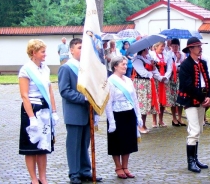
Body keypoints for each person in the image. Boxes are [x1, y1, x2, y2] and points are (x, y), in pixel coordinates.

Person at [58, 38, 102, 184]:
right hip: (74, 112)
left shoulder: (87, 69)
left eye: (84, 48)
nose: (82, 51)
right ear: (71, 50)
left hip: (87, 112)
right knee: (74, 144)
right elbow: (65, 90)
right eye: (79, 47)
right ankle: (74, 173)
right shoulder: (66, 68)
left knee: (84, 144)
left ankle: (85, 170)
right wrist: (83, 98)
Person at [19, 39, 59, 184]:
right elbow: (24, 95)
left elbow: (50, 91)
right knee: (31, 147)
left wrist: (54, 111)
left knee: (43, 146)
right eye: (42, 52)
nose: (45, 54)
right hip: (32, 109)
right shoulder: (25, 69)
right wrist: (31, 118)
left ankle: (43, 177)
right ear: (34, 52)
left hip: (45, 109)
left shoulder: (46, 69)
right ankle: (34, 179)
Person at [177, 37, 210, 173]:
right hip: (191, 100)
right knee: (194, 130)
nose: (200, 48)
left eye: (200, 46)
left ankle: (195, 158)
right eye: (197, 46)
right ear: (191, 49)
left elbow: (208, 82)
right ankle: (190, 162)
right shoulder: (185, 65)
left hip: (202, 99)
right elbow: (187, 86)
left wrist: (209, 96)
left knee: (199, 130)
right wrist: (203, 97)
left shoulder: (203, 63)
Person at [105, 56, 143, 179]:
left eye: (126, 64)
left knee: (128, 141)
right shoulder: (110, 81)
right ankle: (118, 167)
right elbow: (108, 102)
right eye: (123, 64)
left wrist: (138, 115)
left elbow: (135, 99)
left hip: (129, 113)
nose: (125, 67)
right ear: (115, 66)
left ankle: (125, 166)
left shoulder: (128, 80)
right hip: (117, 114)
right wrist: (111, 121)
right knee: (116, 142)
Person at [132, 48, 163, 133]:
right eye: (146, 49)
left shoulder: (148, 59)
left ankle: (143, 124)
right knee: (142, 103)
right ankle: (139, 125)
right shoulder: (137, 59)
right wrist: (151, 73)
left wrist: (154, 68)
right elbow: (142, 72)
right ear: (143, 50)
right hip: (141, 83)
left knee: (146, 104)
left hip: (148, 82)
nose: (148, 50)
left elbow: (154, 71)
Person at [149, 41, 172, 127]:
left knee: (163, 101)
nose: (163, 48)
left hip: (164, 81)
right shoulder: (152, 55)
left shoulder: (166, 56)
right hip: (156, 80)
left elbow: (169, 67)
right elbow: (152, 68)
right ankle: (154, 120)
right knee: (155, 99)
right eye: (161, 46)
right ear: (156, 47)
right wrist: (159, 77)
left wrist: (166, 76)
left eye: (163, 47)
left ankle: (161, 120)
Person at [169, 38, 186, 127]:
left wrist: (181, 61)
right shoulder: (169, 55)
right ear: (171, 46)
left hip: (180, 77)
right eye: (173, 46)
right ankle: (174, 118)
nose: (175, 48)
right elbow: (171, 67)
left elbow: (183, 67)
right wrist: (178, 60)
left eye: (177, 46)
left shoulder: (182, 54)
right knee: (173, 99)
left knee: (180, 98)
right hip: (172, 78)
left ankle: (180, 117)